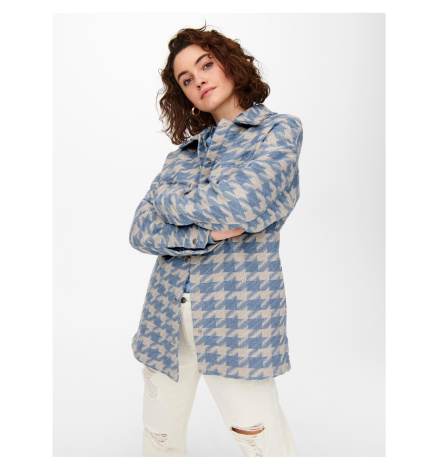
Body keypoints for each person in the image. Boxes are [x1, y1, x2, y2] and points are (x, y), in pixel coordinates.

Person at [129, 24, 303, 457]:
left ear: (230, 64)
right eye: (186, 79)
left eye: (205, 64)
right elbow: (140, 229)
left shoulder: (278, 132)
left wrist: (170, 203)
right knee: (159, 438)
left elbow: (239, 204)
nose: (199, 80)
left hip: (237, 315)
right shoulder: (182, 156)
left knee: (260, 442)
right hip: (164, 319)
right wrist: (207, 231)